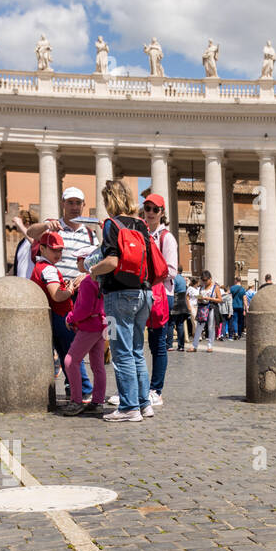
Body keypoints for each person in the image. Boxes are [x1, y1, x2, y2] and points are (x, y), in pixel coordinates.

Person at [87, 178, 154, 421]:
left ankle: (128, 408)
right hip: (145, 294)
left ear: (110, 200)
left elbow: (112, 261)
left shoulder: (111, 224)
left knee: (120, 352)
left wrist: (94, 271)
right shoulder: (141, 224)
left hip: (118, 297)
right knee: (136, 351)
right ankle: (144, 403)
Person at [27, 185, 98, 400]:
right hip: (55, 290)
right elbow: (30, 234)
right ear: (63, 204)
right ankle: (78, 387)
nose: (75, 207)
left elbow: (95, 262)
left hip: (79, 293)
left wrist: (85, 276)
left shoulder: (90, 233)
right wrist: (46, 225)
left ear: (84, 205)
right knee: (64, 341)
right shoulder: (51, 228)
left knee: (72, 344)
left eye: (78, 203)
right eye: (70, 202)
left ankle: (80, 388)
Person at [30, 231, 86, 415]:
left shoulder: (40, 267)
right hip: (62, 318)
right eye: (54, 250)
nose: (58, 254)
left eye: (60, 250)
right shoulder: (49, 269)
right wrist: (70, 290)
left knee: (67, 357)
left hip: (56, 318)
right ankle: (83, 392)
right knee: (72, 357)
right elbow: (56, 294)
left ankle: (77, 392)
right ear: (43, 248)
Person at [141, 193, 177, 407]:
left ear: (162, 213)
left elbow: (172, 270)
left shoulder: (166, 238)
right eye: (148, 208)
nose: (151, 213)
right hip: (143, 293)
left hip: (162, 295)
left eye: (155, 209)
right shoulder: (141, 234)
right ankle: (140, 387)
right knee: (136, 343)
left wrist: (148, 273)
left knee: (158, 346)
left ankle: (156, 389)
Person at [63, 249, 108, 414]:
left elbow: (84, 309)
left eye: (79, 259)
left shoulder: (88, 281)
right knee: (98, 365)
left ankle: (76, 401)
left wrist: (70, 317)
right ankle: (97, 401)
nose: (77, 263)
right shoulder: (102, 279)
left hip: (89, 326)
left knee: (70, 361)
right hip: (102, 324)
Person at [189, 269, 221, 350]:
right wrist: (199, 298)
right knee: (199, 326)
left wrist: (209, 298)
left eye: (206, 280)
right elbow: (199, 298)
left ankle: (210, 345)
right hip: (202, 308)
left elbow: (220, 299)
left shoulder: (215, 287)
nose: (204, 282)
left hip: (211, 307)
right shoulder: (201, 287)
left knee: (211, 327)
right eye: (203, 280)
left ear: (210, 279)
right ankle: (194, 345)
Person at [169, 268, 190, 350]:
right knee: (180, 324)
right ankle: (181, 346)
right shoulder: (182, 278)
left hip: (176, 301)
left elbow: (172, 290)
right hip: (183, 303)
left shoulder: (174, 278)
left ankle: (169, 345)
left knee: (171, 324)